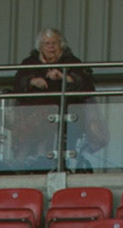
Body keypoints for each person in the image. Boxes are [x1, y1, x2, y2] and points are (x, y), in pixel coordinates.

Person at [8, 28, 96, 171]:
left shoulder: (72, 62)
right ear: (40, 47)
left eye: (54, 43)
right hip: (32, 117)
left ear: (61, 45)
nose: (51, 47)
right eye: (47, 43)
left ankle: (50, 161)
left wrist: (65, 77)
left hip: (64, 116)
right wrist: (32, 81)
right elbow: (17, 85)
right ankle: (23, 160)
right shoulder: (30, 63)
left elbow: (87, 86)